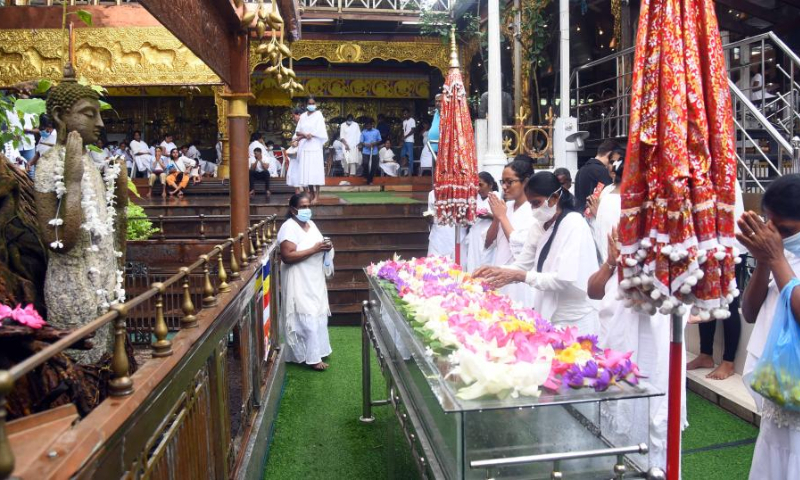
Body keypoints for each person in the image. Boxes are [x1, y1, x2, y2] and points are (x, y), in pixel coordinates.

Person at [583, 159, 687, 468]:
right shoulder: (613, 209)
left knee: (658, 421)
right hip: (618, 331)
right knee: (618, 419)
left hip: (659, 338)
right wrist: (613, 263)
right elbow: (594, 289)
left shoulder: (673, 222)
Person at [475, 171, 599, 334]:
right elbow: (522, 264)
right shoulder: (539, 225)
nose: (534, 209)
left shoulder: (574, 224)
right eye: (531, 204)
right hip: (547, 313)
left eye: (536, 203)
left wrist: (519, 276)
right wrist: (495, 272)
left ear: (554, 198)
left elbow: (563, 280)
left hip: (575, 318)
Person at [738, 175, 800, 479]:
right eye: (770, 226)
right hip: (779, 391)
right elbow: (749, 312)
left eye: (786, 230)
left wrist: (775, 258)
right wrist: (763, 261)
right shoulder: (781, 253)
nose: (776, 236)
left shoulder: (782, 255)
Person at [687, 181, 746, 380]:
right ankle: (705, 354)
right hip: (708, 246)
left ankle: (728, 362)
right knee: (704, 299)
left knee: (729, 302)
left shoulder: (723, 170)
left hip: (730, 247)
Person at [278, 193, 333, 371]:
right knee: (305, 311)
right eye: (302, 207)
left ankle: (318, 350)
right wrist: (314, 249)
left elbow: (318, 244)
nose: (306, 210)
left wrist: (326, 247)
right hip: (298, 277)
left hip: (314, 277)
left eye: (308, 206)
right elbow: (287, 256)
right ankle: (311, 357)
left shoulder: (312, 224)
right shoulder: (289, 227)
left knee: (317, 311)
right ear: (293, 209)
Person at [478, 159, 537, 307]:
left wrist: (502, 217)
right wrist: (497, 218)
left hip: (521, 279)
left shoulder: (534, 210)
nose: (504, 187)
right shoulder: (506, 207)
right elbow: (488, 243)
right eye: (502, 182)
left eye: (509, 182)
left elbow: (520, 248)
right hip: (500, 274)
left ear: (526, 182)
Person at [574, 139, 622, 213]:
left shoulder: (581, 170)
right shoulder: (603, 171)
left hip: (581, 217)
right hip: (595, 218)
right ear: (610, 154)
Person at [294, 97, 328, 203]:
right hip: (304, 147)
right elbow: (298, 132)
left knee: (316, 171)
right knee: (306, 171)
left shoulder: (318, 115)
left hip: (315, 146)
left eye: (313, 103)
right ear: (306, 104)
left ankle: (317, 196)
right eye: (309, 103)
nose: (311, 105)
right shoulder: (303, 116)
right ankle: (310, 194)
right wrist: (305, 135)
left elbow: (321, 131)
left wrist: (311, 135)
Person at [464, 172, 499, 273]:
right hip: (475, 234)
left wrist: (489, 216)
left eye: (481, 185)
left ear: (490, 185)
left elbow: (501, 218)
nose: (478, 188)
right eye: (476, 185)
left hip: (489, 234)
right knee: (473, 260)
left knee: (487, 261)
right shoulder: (475, 198)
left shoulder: (496, 197)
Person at [426, 189, 463, 259]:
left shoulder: (461, 191)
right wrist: (429, 218)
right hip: (437, 237)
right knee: (434, 266)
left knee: (455, 267)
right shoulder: (432, 193)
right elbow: (430, 213)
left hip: (456, 236)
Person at [285, 108, 304, 194]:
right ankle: (298, 195)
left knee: (299, 175)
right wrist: (293, 143)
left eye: (294, 116)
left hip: (300, 155)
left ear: (299, 115)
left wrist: (297, 143)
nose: (293, 118)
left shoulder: (304, 126)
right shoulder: (298, 126)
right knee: (295, 175)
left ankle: (303, 195)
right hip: (295, 156)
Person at [359, 118, 382, 185]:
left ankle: (370, 180)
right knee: (365, 163)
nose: (368, 126)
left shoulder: (376, 131)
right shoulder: (363, 132)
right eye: (367, 125)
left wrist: (374, 143)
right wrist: (365, 144)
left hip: (374, 151)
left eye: (369, 124)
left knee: (373, 166)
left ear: (372, 124)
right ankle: (367, 176)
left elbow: (380, 140)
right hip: (366, 151)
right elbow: (361, 142)